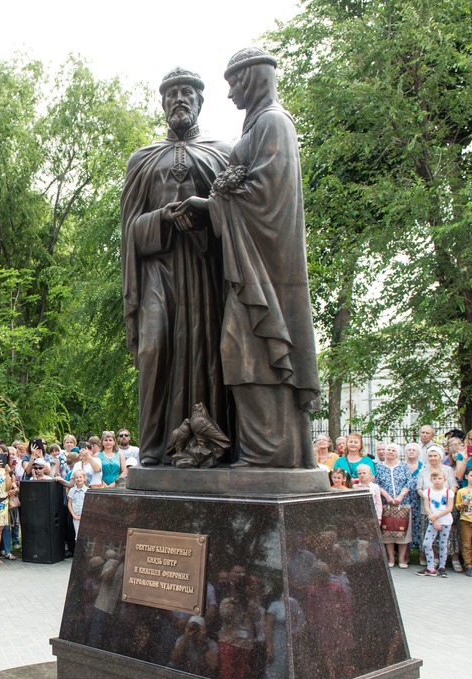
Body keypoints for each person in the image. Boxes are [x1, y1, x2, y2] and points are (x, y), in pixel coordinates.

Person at [169, 47, 320, 468]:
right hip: (249, 264)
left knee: (250, 350)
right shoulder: (259, 126)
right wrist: (208, 204)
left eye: (235, 82)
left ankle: (271, 452)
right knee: (239, 349)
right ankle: (260, 450)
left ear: (255, 77)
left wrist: (213, 202)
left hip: (264, 269)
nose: (232, 94)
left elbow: (267, 197)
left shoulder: (273, 123)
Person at [122, 67, 233, 466]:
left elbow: (238, 215)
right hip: (158, 270)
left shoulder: (223, 152)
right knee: (154, 349)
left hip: (204, 270)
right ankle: (152, 450)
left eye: (187, 93)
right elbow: (130, 230)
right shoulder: (143, 160)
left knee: (206, 351)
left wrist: (206, 213)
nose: (179, 99)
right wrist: (162, 218)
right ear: (163, 103)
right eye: (172, 95)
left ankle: (207, 445)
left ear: (200, 101)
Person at [375, 443, 413, 569]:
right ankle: (391, 557)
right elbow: (377, 484)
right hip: (387, 503)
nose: (390, 452)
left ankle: (402, 558)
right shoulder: (379, 466)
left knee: (403, 530)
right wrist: (388, 497)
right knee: (388, 531)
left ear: (397, 453)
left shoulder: (403, 465)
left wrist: (401, 496)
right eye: (388, 450)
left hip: (403, 503)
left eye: (393, 450)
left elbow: (410, 481)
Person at [419, 469, 455, 578]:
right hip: (433, 521)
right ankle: (430, 567)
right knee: (427, 543)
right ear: (431, 479)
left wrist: (437, 516)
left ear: (444, 479)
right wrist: (434, 520)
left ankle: (442, 567)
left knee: (443, 544)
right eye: (434, 478)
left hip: (445, 521)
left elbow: (449, 508)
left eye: (439, 478)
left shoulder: (449, 492)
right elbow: (427, 507)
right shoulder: (428, 492)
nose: (437, 481)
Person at [67, 470, 88, 535]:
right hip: (76, 517)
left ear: (84, 478)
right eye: (76, 477)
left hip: (85, 517)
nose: (78, 479)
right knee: (77, 535)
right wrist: (74, 515)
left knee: (86, 534)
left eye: (80, 477)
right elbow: (69, 504)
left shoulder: (88, 490)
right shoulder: (72, 490)